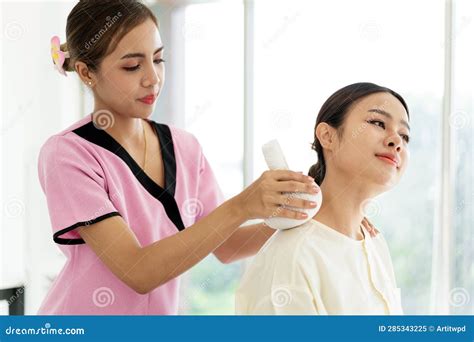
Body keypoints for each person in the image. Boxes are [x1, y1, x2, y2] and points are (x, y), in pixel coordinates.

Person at [38, 0, 322, 315]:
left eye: (158, 59)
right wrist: (244, 204)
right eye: (132, 66)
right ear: (86, 72)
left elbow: (228, 246)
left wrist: (304, 212)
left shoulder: (184, 148)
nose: (153, 79)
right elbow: (138, 271)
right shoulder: (69, 154)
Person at [235, 82, 409, 315]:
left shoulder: (375, 244)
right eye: (378, 123)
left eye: (405, 136)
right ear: (327, 136)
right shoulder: (293, 258)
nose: (396, 141)